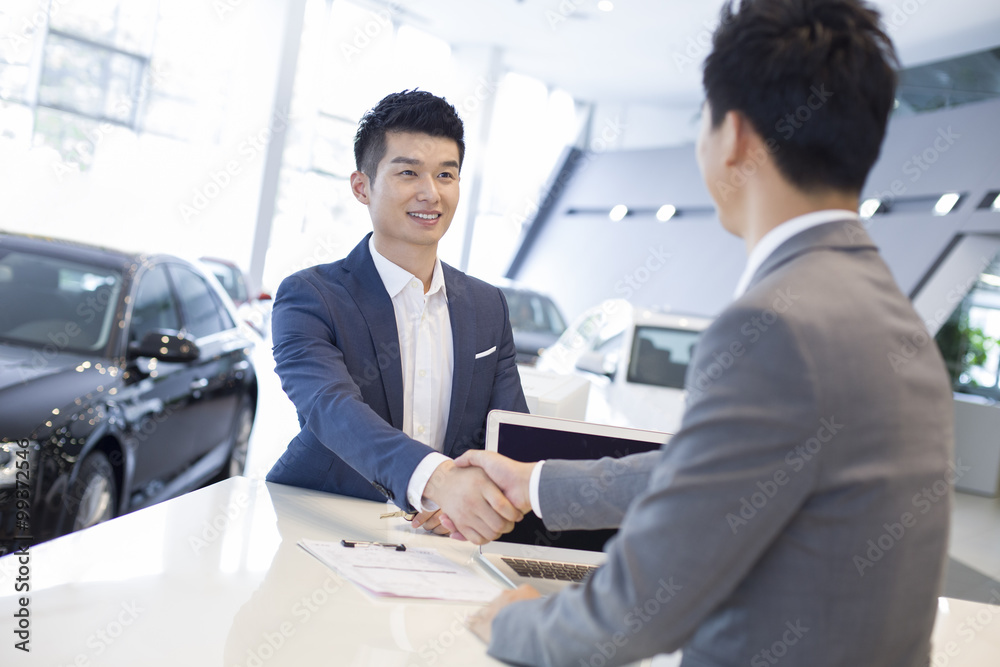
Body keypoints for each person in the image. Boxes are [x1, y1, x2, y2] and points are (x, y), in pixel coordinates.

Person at [453, 0, 955, 663]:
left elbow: (638, 612)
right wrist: (537, 482)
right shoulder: (895, 318)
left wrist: (511, 623)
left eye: (703, 120)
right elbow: (710, 470)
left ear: (736, 137)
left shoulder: (775, 325)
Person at [266, 90, 528, 545]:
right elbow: (332, 409)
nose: (431, 192)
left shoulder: (488, 306)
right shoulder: (310, 297)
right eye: (408, 172)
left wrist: (476, 495)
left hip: (441, 540)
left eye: (447, 174)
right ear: (361, 186)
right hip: (320, 526)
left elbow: (509, 434)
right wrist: (436, 481)